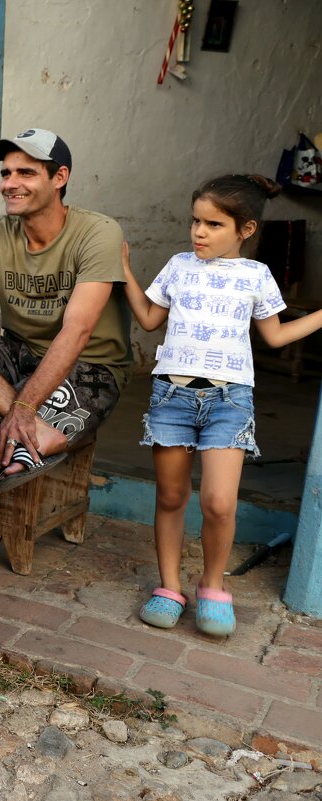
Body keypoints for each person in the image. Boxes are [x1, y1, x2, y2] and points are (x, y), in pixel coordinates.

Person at [0, 128, 132, 618]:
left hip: (91, 364)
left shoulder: (98, 232)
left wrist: (20, 406)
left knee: (4, 445)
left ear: (60, 178)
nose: (10, 183)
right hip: (16, 353)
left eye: (26, 173)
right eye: (6, 173)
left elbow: (77, 331)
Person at [122, 174, 322, 636]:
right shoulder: (178, 266)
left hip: (229, 401)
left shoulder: (257, 275)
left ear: (245, 229)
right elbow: (149, 320)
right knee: (171, 496)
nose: (199, 232)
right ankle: (170, 588)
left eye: (213, 224)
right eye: (195, 221)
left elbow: (276, 335)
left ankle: (213, 586)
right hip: (171, 396)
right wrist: (126, 272)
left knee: (218, 503)